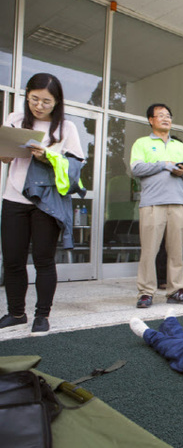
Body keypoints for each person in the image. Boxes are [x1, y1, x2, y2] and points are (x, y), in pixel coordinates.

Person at [0, 73, 86, 334]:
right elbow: (5, 159)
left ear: (57, 102)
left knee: (43, 260)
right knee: (13, 260)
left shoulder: (65, 128)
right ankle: (16, 313)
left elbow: (76, 165)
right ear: (27, 96)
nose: (39, 106)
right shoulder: (15, 120)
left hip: (46, 201)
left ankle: (42, 315)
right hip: (14, 197)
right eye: (34, 99)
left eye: (46, 101)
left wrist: (47, 157)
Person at [130, 103, 183, 309]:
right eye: (161, 116)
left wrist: (181, 171)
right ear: (151, 120)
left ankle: (175, 290)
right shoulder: (141, 143)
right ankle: (146, 292)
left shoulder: (179, 145)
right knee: (149, 251)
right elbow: (136, 168)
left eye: (168, 115)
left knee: (176, 251)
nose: (166, 119)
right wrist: (163, 164)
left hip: (178, 203)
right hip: (152, 204)